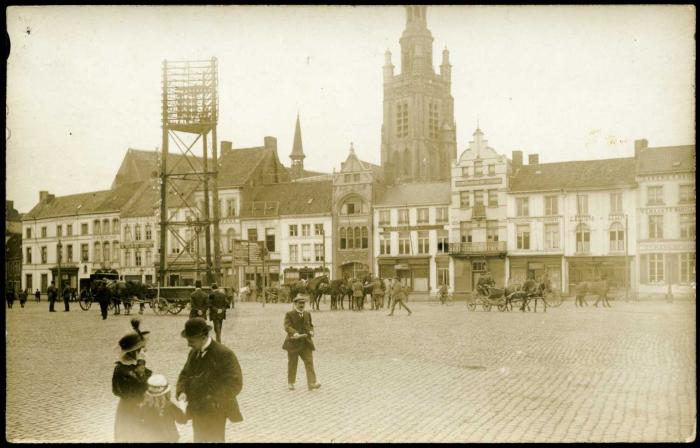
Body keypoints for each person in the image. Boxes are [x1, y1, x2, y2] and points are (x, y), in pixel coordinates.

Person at [177, 317, 243, 442]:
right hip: (196, 408)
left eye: (191, 341)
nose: (188, 344)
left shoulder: (224, 354)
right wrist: (182, 392)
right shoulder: (193, 352)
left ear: (203, 338)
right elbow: (184, 374)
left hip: (215, 411)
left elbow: (235, 383)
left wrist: (213, 400)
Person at [112, 319, 153, 442]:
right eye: (142, 349)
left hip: (137, 411)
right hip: (129, 413)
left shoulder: (133, 366)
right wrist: (141, 367)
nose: (145, 351)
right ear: (135, 352)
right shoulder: (122, 369)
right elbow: (141, 387)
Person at [283, 294, 321, 391]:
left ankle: (312, 383)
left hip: (306, 342)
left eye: (303, 303)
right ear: (295, 304)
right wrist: (294, 332)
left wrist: (311, 331)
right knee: (292, 363)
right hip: (293, 343)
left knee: (309, 361)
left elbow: (310, 325)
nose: (302, 305)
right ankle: (291, 382)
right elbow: (287, 327)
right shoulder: (289, 314)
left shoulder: (307, 314)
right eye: (300, 303)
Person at [137, 374, 188, 442]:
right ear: (167, 392)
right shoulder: (169, 406)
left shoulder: (143, 406)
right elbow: (183, 420)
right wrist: (182, 405)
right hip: (169, 438)